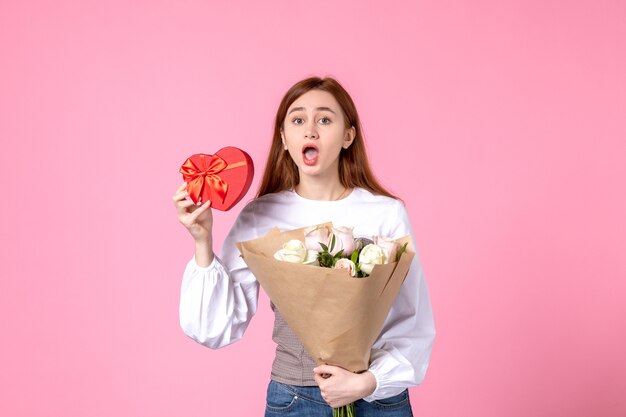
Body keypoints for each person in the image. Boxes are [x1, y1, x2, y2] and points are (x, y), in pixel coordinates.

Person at [172, 76, 436, 416]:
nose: (310, 130)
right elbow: (215, 330)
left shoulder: (385, 213)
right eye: (298, 120)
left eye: (324, 119)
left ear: (347, 136)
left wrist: (367, 382)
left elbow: (413, 320)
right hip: (296, 400)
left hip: (379, 401)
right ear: (284, 138)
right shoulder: (261, 216)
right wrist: (202, 240)